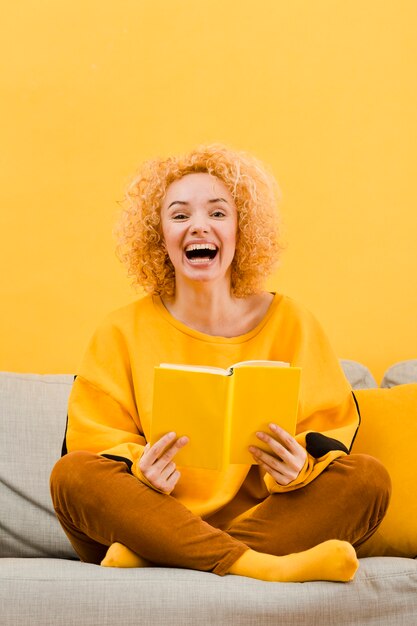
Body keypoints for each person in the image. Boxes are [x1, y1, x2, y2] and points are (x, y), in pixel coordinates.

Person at [50, 145, 391, 583]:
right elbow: (90, 443)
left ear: (240, 229)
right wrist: (141, 471)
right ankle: (259, 567)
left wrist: (296, 468)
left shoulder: (293, 323)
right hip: (149, 515)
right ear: (159, 237)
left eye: (217, 213)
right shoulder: (120, 330)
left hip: (264, 519)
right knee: (71, 476)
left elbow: (330, 430)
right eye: (179, 215)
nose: (198, 226)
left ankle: (165, 558)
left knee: (368, 480)